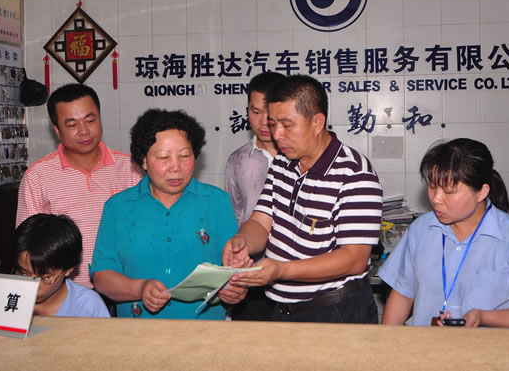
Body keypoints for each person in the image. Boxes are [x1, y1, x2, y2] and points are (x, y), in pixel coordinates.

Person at [223, 75, 383, 324]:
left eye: (287, 125)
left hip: (336, 311)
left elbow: (354, 258)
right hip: (283, 309)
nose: (277, 135)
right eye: (273, 124)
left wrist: (282, 269)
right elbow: (261, 222)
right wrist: (241, 242)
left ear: (317, 122)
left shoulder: (354, 173)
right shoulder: (282, 163)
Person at [379, 138, 509, 327]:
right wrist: (383, 342)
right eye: (432, 186)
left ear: (481, 192)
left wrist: (484, 317)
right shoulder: (420, 230)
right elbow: (402, 295)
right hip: (423, 343)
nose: (436, 198)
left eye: (448, 191)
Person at [90, 109, 244, 319]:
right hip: (137, 330)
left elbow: (232, 271)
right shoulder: (118, 207)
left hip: (204, 329)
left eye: (185, 156)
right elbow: (102, 276)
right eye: (164, 157)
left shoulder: (216, 202)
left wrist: (235, 289)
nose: (176, 167)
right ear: (144, 161)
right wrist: (140, 288)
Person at [16, 84, 142, 288]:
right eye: (72, 125)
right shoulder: (37, 176)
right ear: (57, 130)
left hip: (123, 287)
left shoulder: (130, 168)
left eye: (90, 121)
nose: (84, 131)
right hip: (65, 292)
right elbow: (28, 246)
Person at [225, 71, 284, 320]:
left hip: (296, 273)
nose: (263, 121)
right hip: (251, 272)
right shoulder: (237, 161)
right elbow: (237, 215)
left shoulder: (301, 157)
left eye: (270, 113)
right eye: (255, 111)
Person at [13, 213, 109, 317]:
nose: (33, 286)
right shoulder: (7, 296)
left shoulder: (88, 306)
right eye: (24, 274)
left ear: (68, 269)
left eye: (45, 278)